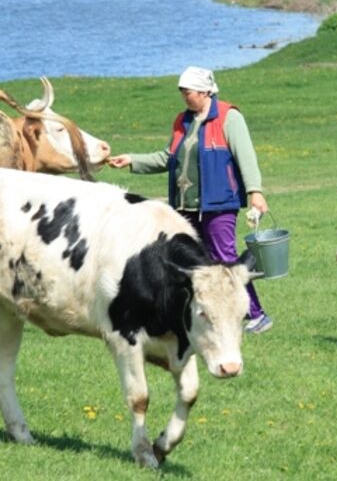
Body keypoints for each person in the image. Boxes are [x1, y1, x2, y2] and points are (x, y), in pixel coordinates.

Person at [108, 66, 273, 334]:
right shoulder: (182, 121)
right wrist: (132, 160)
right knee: (190, 262)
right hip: (185, 207)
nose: (184, 96)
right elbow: (167, 157)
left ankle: (256, 314)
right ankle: (191, 315)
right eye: (182, 91)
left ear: (206, 91)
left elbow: (246, 157)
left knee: (225, 260)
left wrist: (255, 191)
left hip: (219, 204)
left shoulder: (229, 118)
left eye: (189, 91)